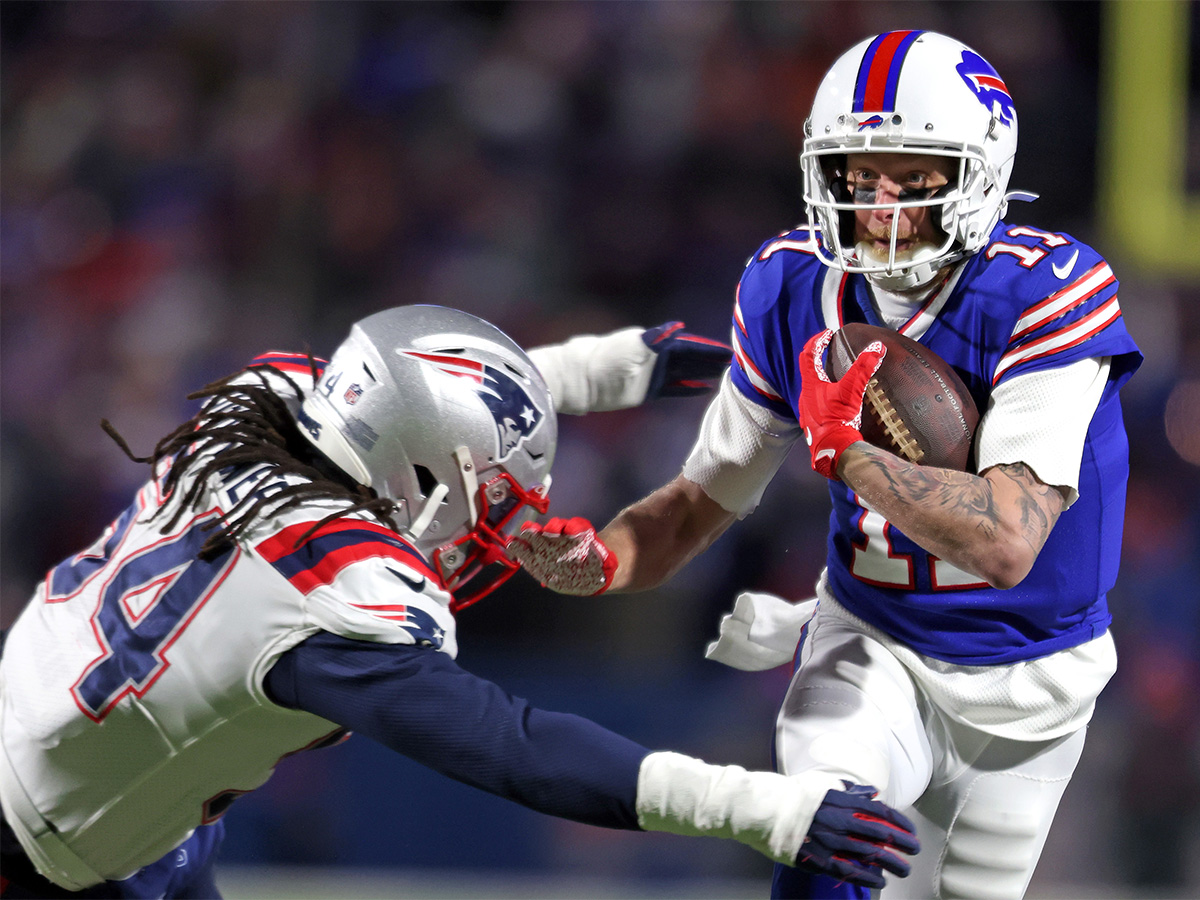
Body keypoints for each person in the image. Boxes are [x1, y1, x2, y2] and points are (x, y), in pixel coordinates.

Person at [509, 30, 1142, 900]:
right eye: (858, 176)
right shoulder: (788, 285)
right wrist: (601, 560)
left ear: (979, 177)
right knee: (824, 829)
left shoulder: (1045, 291)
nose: (880, 208)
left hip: (1037, 678)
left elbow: (1006, 542)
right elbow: (701, 502)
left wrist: (853, 458)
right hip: (873, 639)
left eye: (915, 182)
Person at [0, 305, 919, 899]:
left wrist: (616, 368)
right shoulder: (335, 601)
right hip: (50, 845)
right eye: (496, 491)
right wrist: (767, 810)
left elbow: (408, 389)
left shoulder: (264, 403)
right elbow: (519, 749)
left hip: (71, 731)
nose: (502, 517)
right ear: (426, 479)